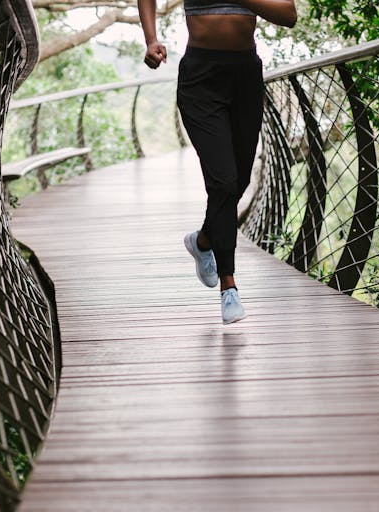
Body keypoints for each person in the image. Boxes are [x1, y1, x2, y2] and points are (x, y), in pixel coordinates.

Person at [138, 0, 296, 324]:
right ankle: (229, 287)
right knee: (222, 181)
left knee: (239, 181)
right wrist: (151, 39)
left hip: (245, 77)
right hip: (201, 78)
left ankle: (203, 240)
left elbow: (288, 14)